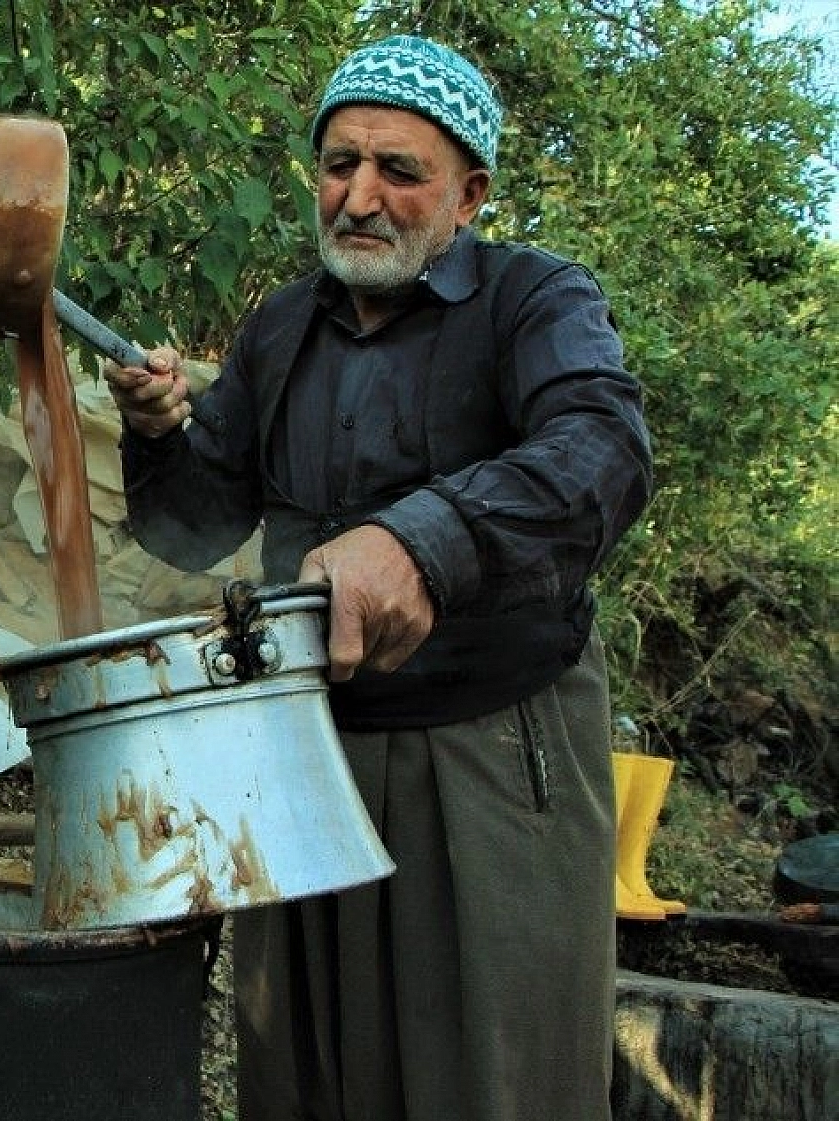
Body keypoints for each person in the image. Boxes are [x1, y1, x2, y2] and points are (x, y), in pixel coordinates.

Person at [103, 35, 653, 1121]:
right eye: (337, 163)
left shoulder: (532, 301)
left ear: (467, 194)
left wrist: (420, 541)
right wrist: (154, 433)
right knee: (302, 1069)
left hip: (490, 748)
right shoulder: (277, 324)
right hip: (299, 744)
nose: (357, 197)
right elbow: (188, 526)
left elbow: (604, 450)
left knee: (485, 1078)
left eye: (397, 171)